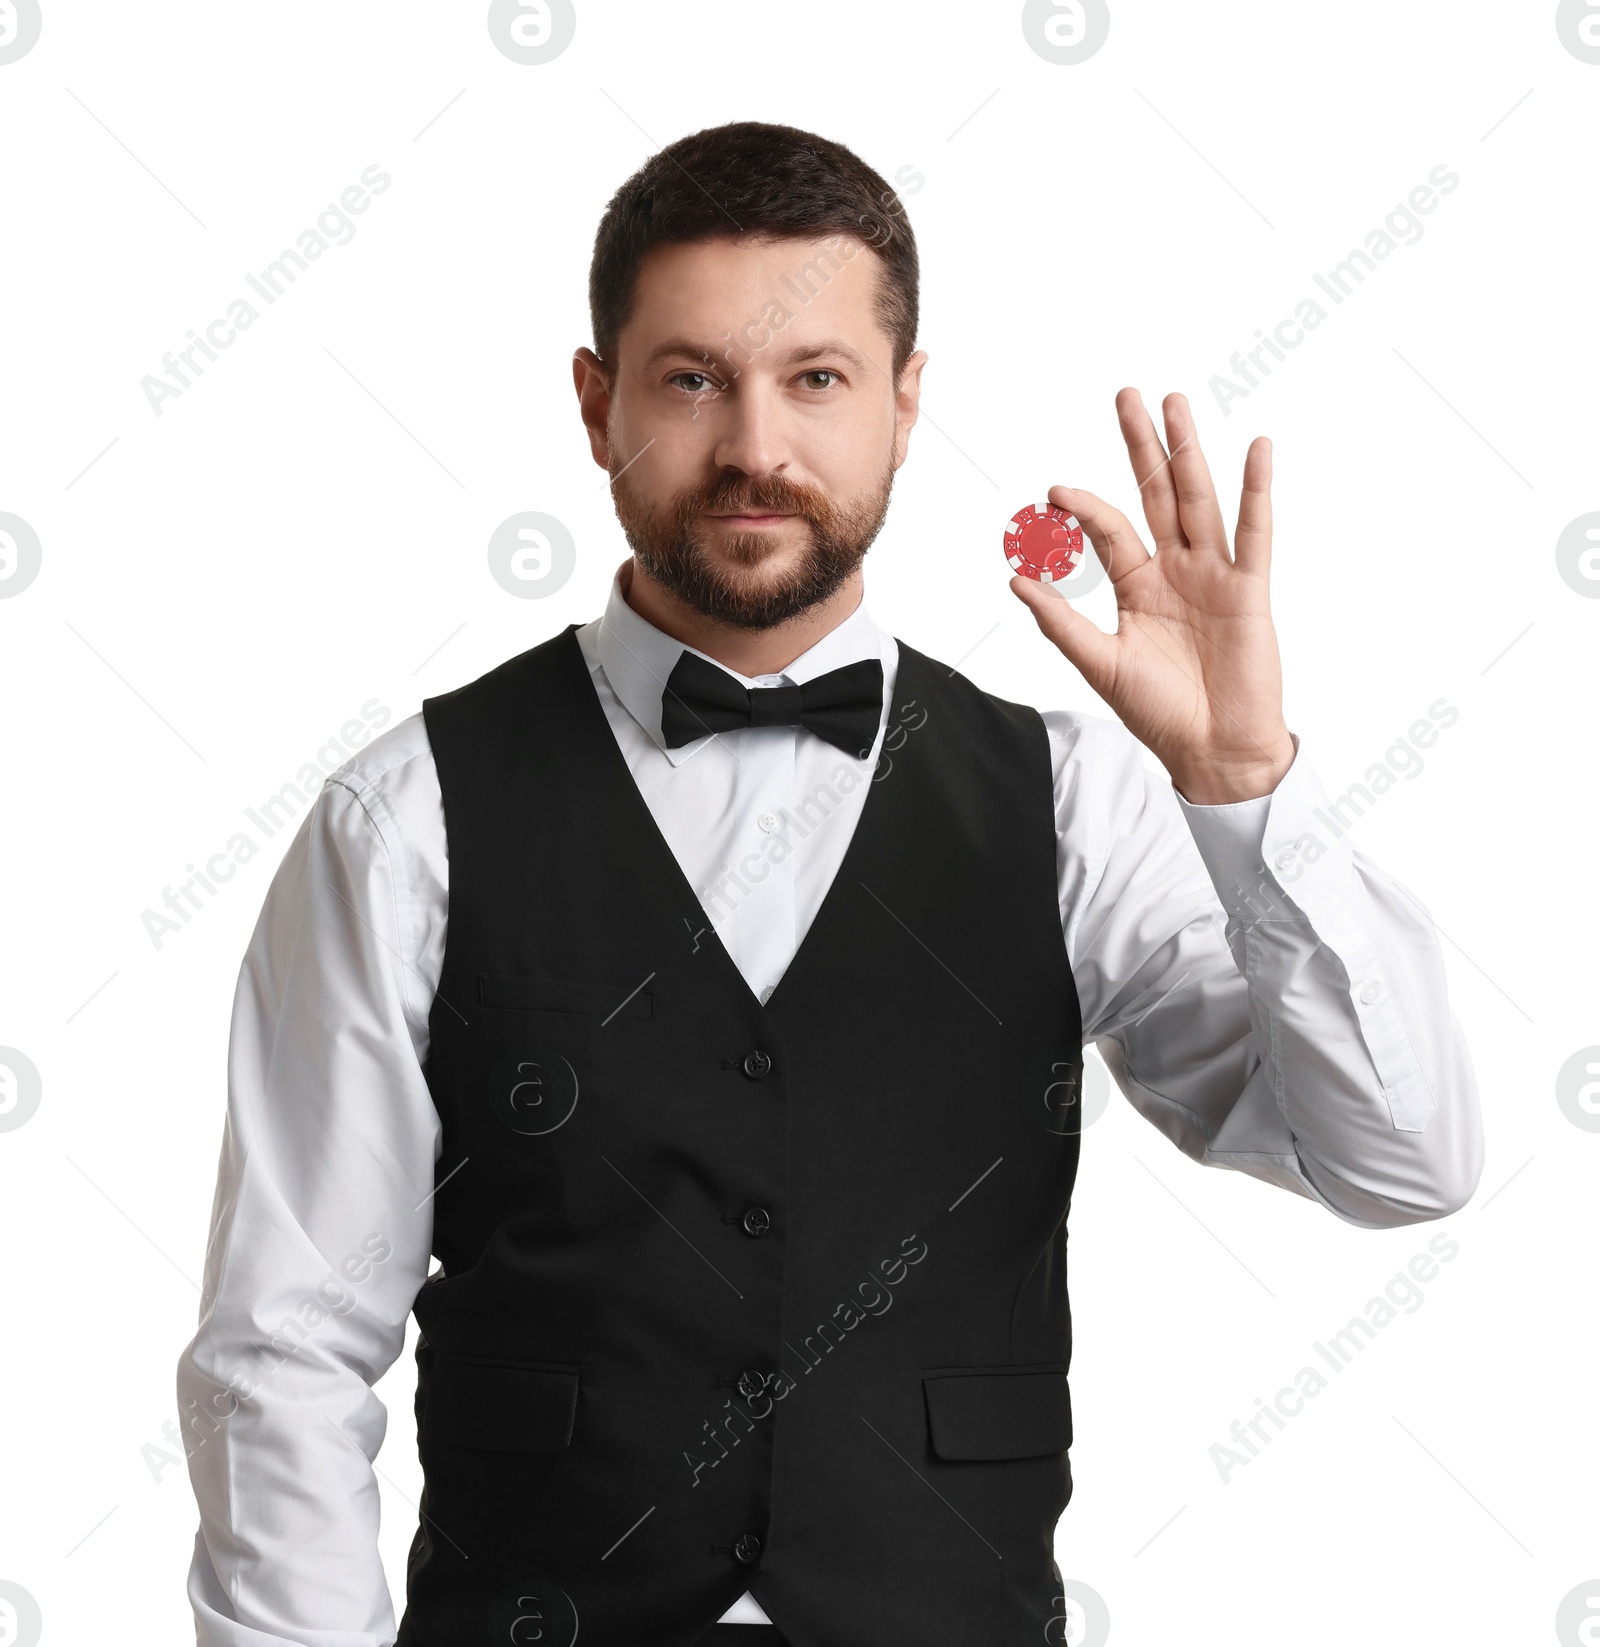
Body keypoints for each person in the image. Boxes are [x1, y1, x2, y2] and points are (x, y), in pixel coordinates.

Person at [176, 120, 1483, 1647]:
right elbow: (286, 1351)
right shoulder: (407, 817)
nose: (754, 449)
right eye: (689, 380)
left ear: (906, 403)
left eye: (815, 379)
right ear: (597, 406)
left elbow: (1404, 1164)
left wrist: (1250, 790)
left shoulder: (1071, 802)